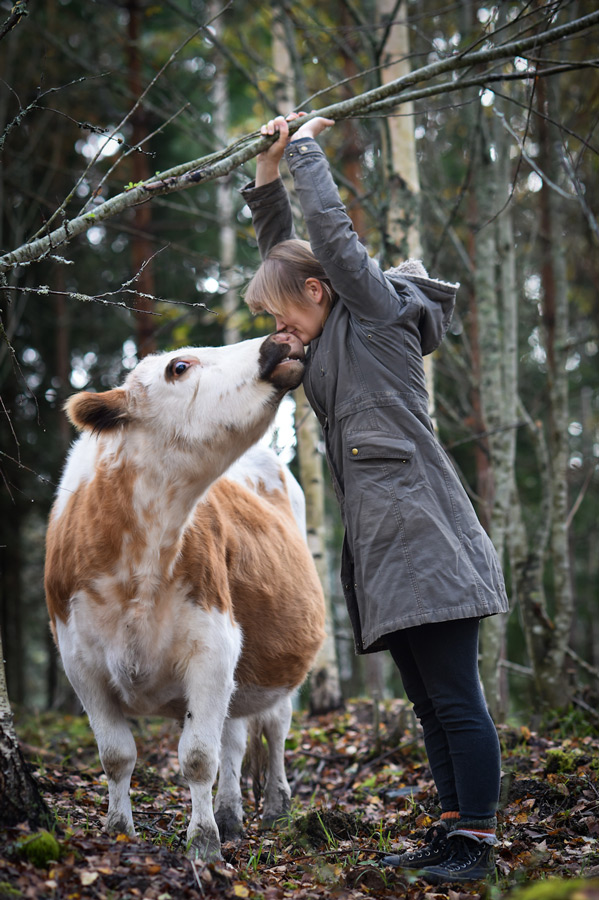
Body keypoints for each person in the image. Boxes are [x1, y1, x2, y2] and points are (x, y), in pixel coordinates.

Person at [240, 113, 509, 885]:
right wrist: (265, 174)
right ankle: (453, 831)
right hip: (388, 551)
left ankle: (476, 844)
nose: (281, 333)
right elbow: (285, 254)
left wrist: (303, 151)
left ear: (319, 292)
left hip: (427, 538)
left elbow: (328, 239)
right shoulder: (327, 343)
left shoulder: (377, 315)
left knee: (455, 699)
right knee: (428, 703)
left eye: (283, 315)